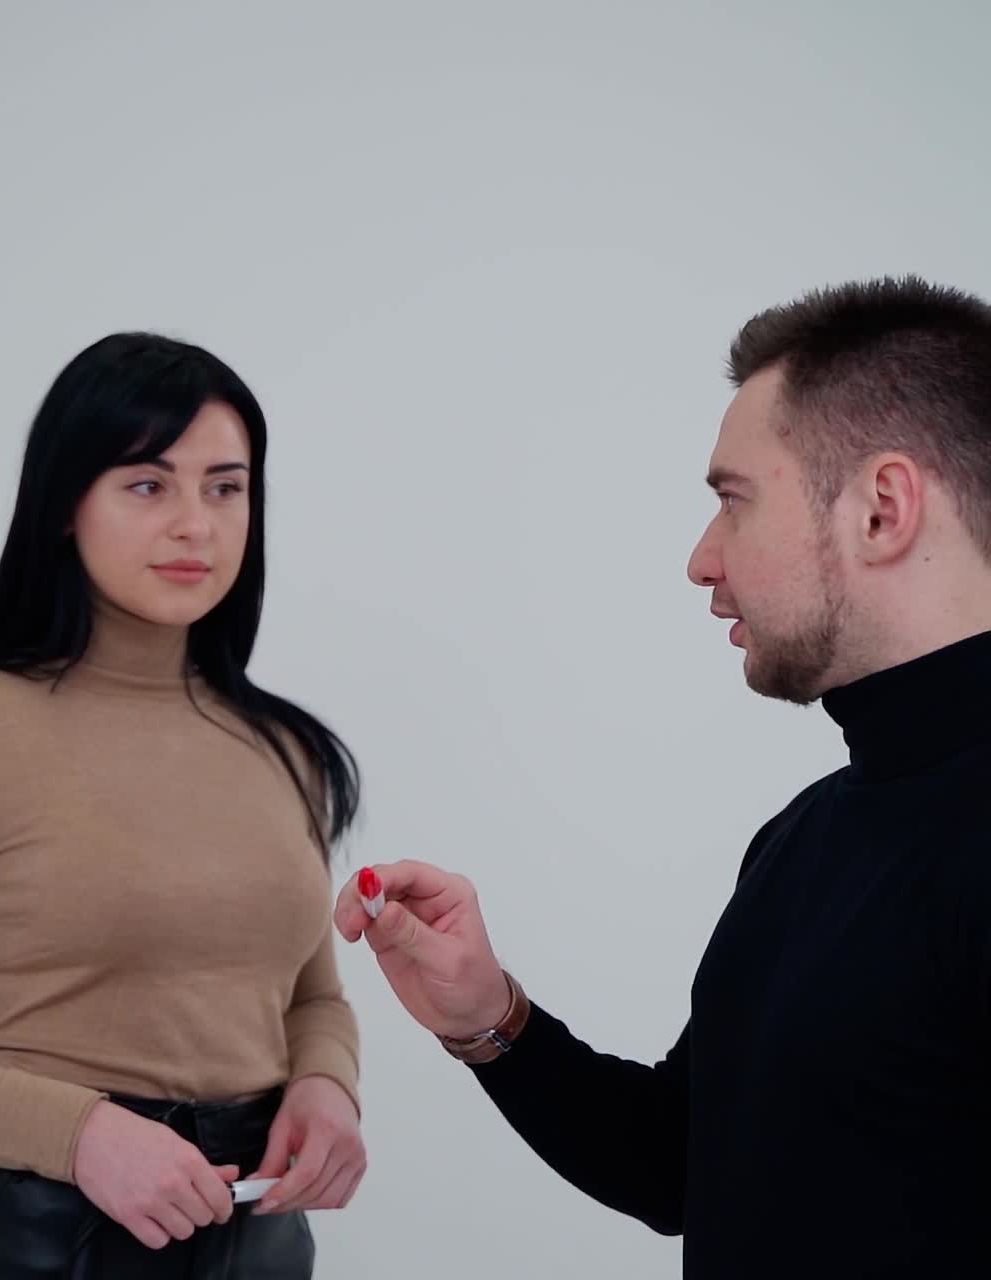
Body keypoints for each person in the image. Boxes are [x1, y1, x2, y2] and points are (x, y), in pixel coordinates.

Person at [335, 276, 991, 1278]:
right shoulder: (805, 835)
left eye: (732, 499)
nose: (699, 557)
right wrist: (490, 1020)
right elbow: (687, 1165)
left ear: (882, 507)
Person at [0, 333, 366, 1278]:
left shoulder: (286, 750)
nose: (197, 525)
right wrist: (81, 1133)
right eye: (148, 484)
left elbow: (312, 998)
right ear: (65, 504)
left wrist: (327, 1088)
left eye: (226, 487)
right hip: (27, 1241)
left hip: (255, 1246)